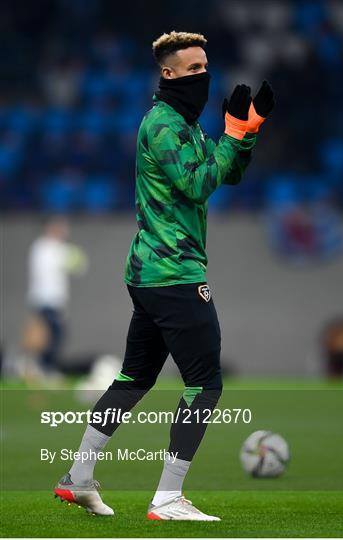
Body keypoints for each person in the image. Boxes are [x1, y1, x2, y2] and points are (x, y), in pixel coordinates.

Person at [54, 31, 274, 521]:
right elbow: (198, 183)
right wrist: (233, 136)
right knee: (205, 381)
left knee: (134, 378)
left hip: (151, 271)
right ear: (168, 74)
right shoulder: (163, 125)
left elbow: (228, 175)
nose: (203, 75)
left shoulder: (187, 126)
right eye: (192, 69)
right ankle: (167, 498)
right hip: (173, 271)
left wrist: (246, 132)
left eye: (205, 67)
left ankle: (79, 478)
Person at [27, 217, 87, 375]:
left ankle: (45, 368)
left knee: (55, 335)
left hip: (54, 302)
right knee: (51, 336)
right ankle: (46, 368)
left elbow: (80, 266)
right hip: (45, 301)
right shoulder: (44, 247)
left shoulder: (56, 248)